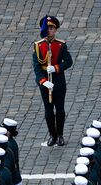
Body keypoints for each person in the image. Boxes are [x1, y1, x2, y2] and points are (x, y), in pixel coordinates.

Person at [33, 15, 73, 146]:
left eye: (51, 28)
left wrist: (56, 68)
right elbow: (37, 67)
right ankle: (52, 135)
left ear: (55, 30)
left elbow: (68, 62)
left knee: (60, 109)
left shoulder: (61, 45)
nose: (49, 30)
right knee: (48, 110)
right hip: (46, 82)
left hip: (58, 80)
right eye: (47, 28)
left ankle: (60, 135)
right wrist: (43, 81)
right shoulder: (38, 46)